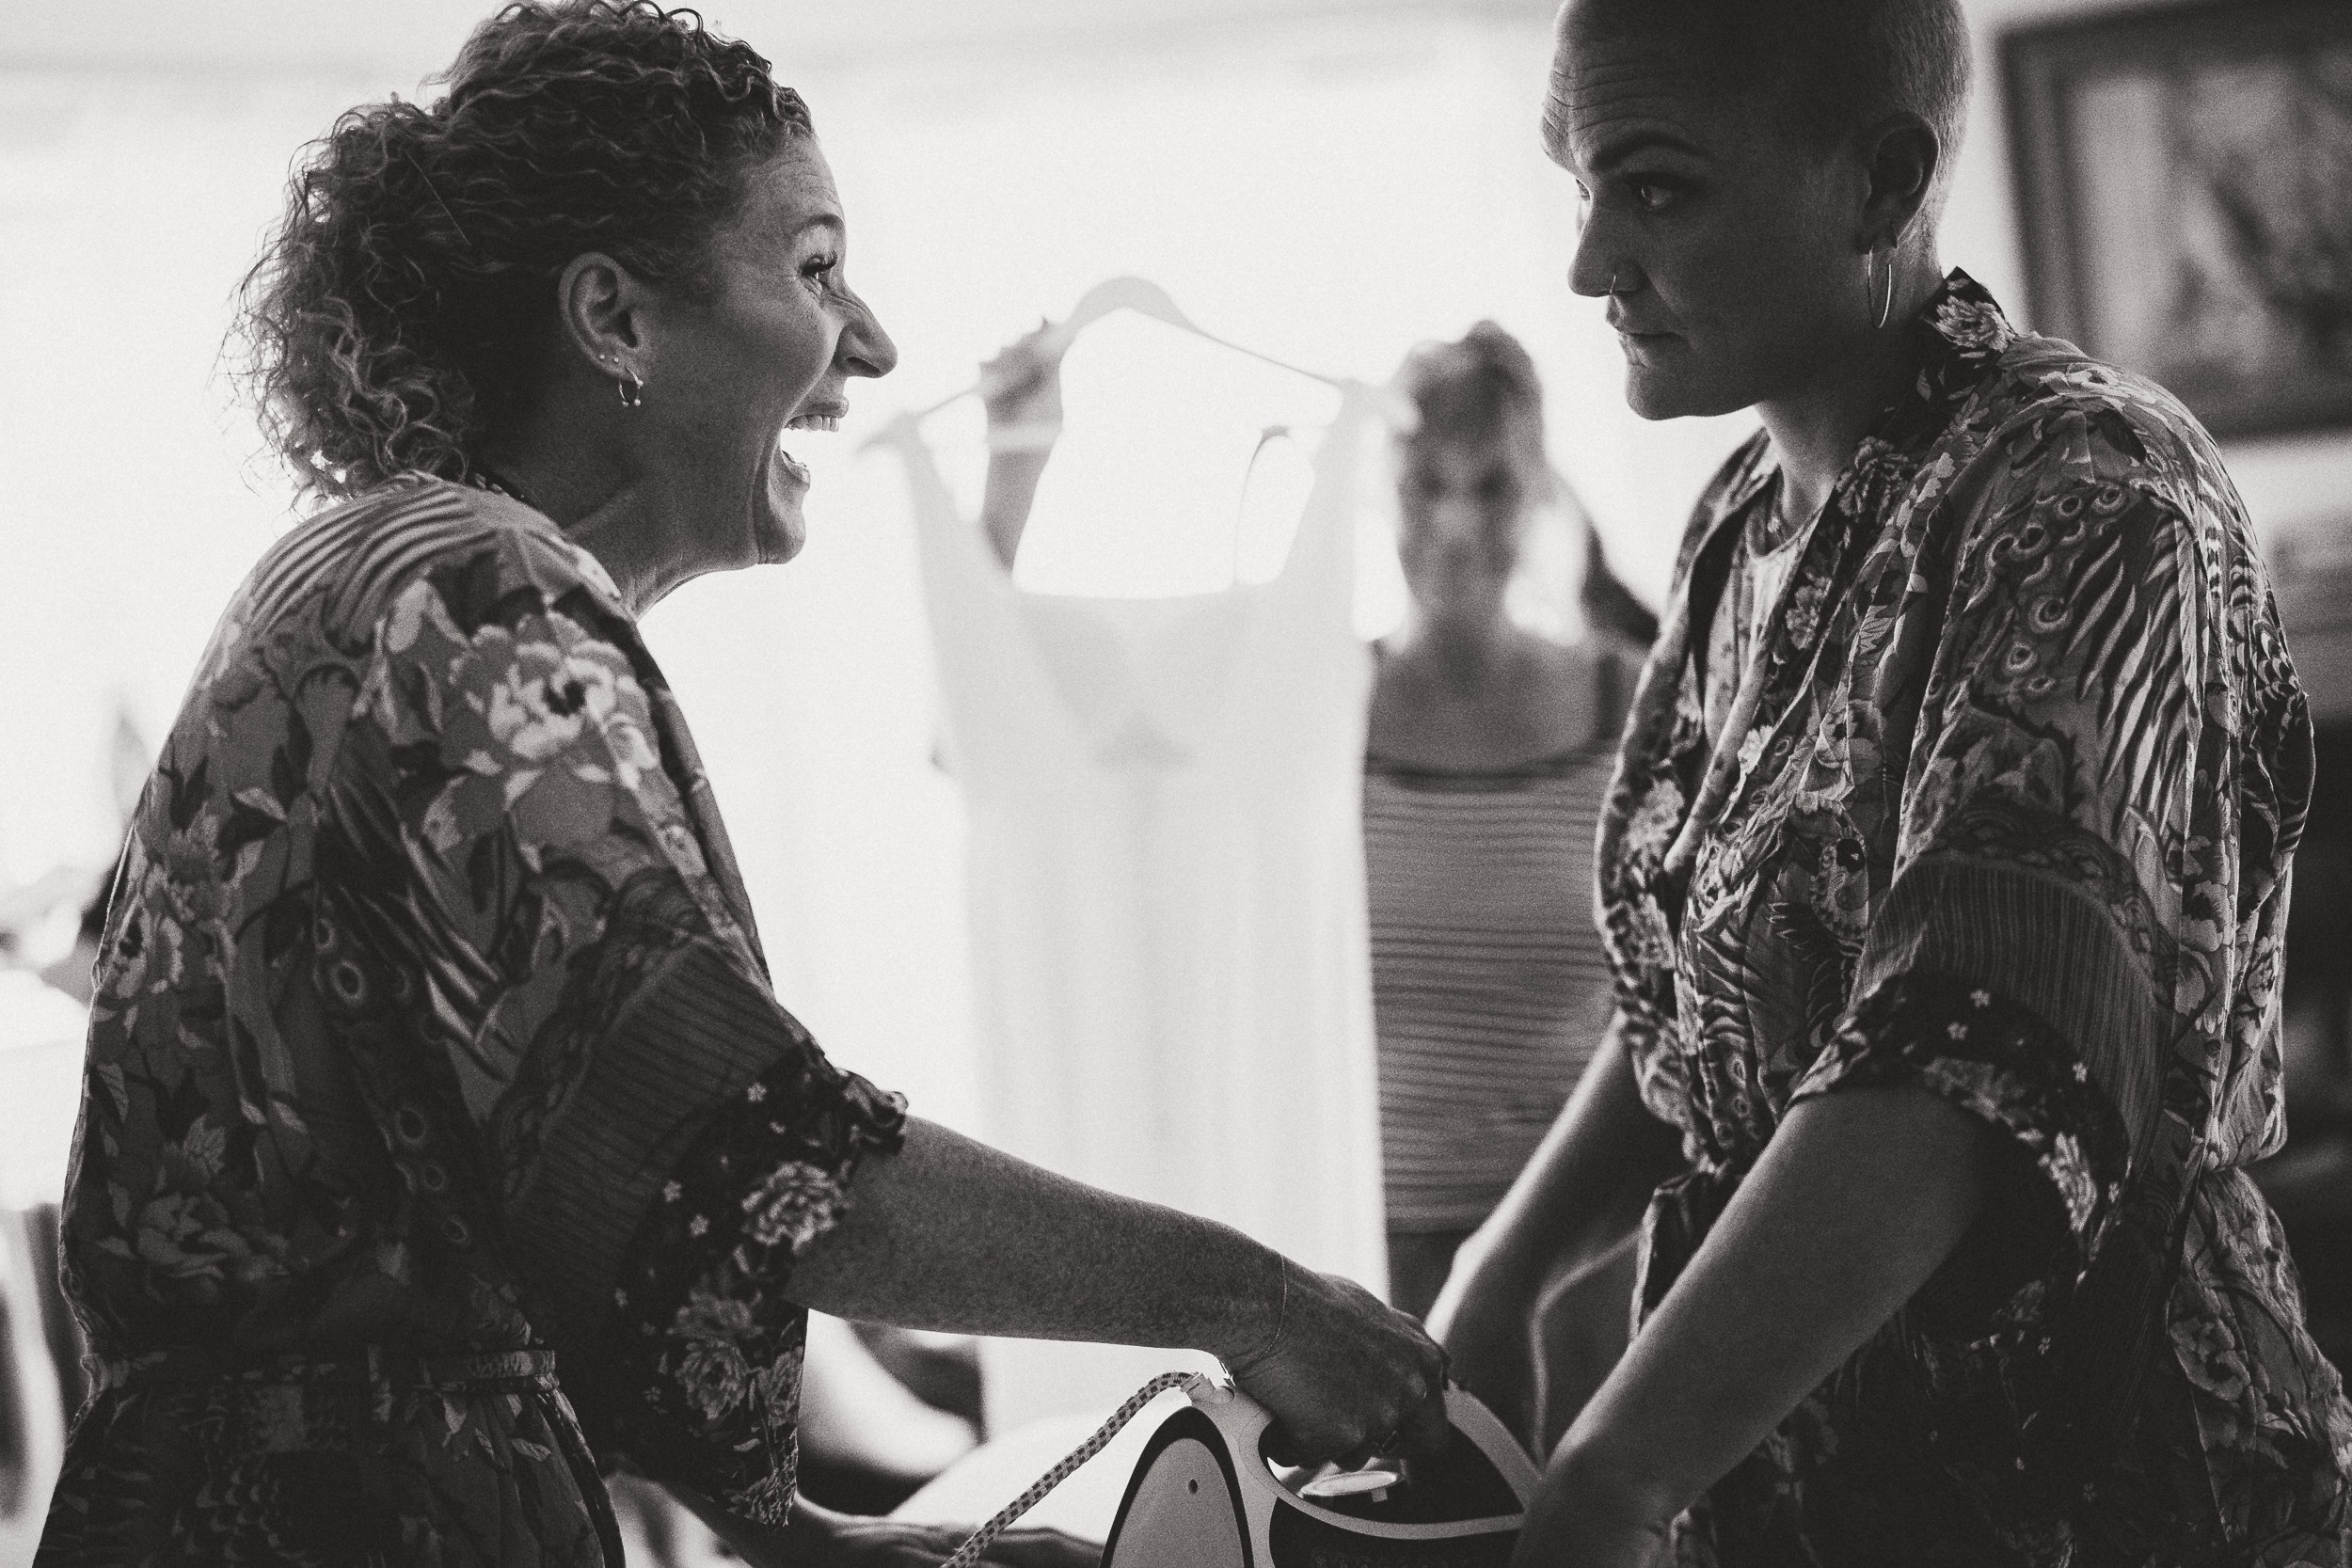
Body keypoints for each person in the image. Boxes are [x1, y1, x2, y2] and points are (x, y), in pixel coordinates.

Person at [34, 6, 1450, 1565]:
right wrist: (1249, 1296)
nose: (878, 343)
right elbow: (756, 1164)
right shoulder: (474, 596)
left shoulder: (379, 570)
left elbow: (556, 1188)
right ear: (614, 320)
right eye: (817, 268)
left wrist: (815, 1546)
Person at [1426, 0, 2352, 1563]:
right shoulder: (1742, 521)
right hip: (1798, 1479)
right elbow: (1711, 1001)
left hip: (2099, 1487)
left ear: (1877, 181)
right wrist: (1507, 1269)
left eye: (1655, 188)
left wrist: (1616, 1468)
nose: (1589, 262)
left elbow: (1965, 1054)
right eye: (1577, 185)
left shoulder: (2091, 492)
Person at [971, 321, 1650, 1326]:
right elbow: (1010, 746)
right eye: (1427, 484)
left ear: (1540, 489)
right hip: (1353, 1262)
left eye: (1491, 485)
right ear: (1381, 490)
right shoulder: (1311, 706)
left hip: (1579, 1257)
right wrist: (1012, 480)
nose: (1457, 525)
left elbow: (1675, 1005)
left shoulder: (1625, 705)